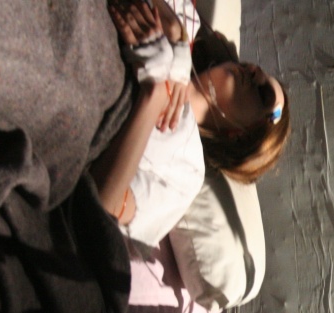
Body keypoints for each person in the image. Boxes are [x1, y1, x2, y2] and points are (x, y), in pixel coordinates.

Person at [90, 0, 290, 247]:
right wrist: (175, 32)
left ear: (241, 135)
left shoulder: (187, 171)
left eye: (263, 94)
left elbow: (104, 206)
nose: (255, 73)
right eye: (259, 70)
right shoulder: (185, 25)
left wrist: (155, 93)